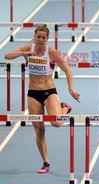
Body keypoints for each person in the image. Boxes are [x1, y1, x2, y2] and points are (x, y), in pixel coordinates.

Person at [4, 25, 80, 174]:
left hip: (49, 91)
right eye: (38, 37)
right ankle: (46, 162)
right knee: (39, 129)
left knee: (56, 122)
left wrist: (71, 88)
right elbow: (6, 56)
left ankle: (64, 107)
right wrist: (25, 53)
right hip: (33, 93)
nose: (40, 40)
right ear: (35, 36)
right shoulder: (28, 49)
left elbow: (67, 70)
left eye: (43, 38)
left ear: (47, 39)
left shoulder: (52, 53)